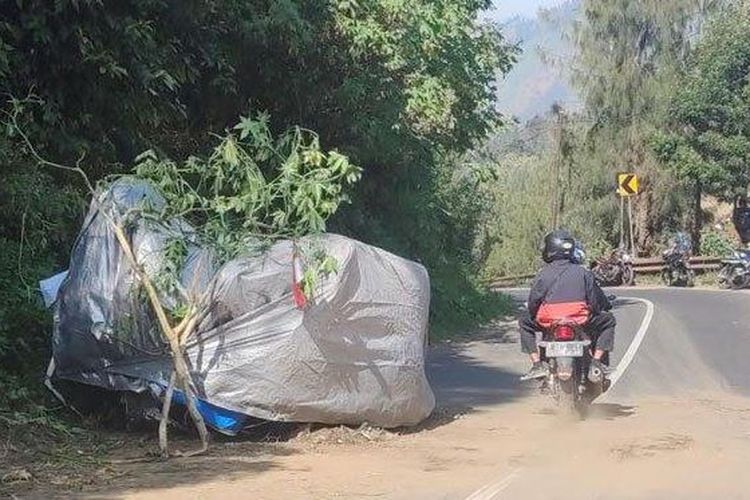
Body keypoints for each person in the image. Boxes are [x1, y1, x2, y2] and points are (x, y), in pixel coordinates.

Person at [519, 229, 616, 381]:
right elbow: (594, 301)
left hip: (549, 321)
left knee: (524, 322)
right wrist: (600, 308)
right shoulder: (583, 272)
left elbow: (533, 302)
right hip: (579, 319)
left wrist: (533, 313)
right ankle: (596, 362)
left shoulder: (542, 274)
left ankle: (537, 364)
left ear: (549, 249)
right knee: (609, 320)